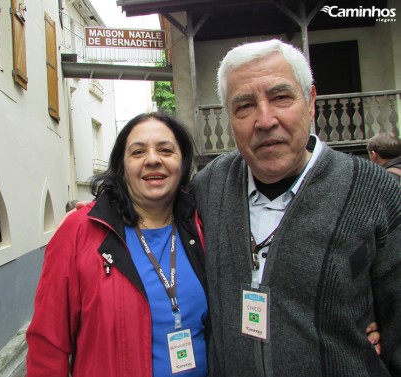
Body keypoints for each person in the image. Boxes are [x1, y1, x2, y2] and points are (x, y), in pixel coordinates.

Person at [192, 39, 400, 376]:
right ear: (229, 117)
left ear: (311, 101)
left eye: (280, 97)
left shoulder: (375, 192)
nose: (264, 119)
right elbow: (149, 215)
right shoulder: (208, 187)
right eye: (244, 105)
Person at [26, 112, 209, 376]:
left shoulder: (201, 226)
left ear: (183, 162)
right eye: (137, 152)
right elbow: (47, 344)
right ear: (121, 167)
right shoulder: (80, 231)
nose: (153, 159)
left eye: (166, 150)